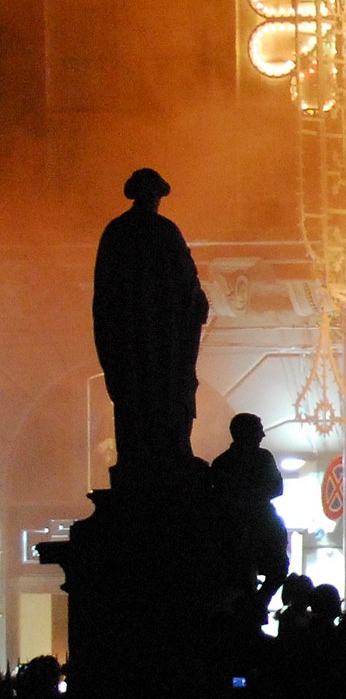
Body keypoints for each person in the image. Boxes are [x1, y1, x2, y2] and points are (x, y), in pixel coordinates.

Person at [92, 167, 210, 483]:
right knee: (167, 395)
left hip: (128, 337)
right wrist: (195, 305)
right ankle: (169, 453)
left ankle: (137, 458)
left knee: (134, 400)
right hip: (162, 338)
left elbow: (104, 292)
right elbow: (187, 280)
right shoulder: (164, 231)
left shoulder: (116, 231)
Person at [211, 412, 289, 621]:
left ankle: (253, 605)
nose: (263, 435)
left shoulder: (222, 463)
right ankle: (256, 605)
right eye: (259, 430)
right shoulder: (262, 458)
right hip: (256, 526)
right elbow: (276, 488)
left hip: (236, 528)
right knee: (276, 569)